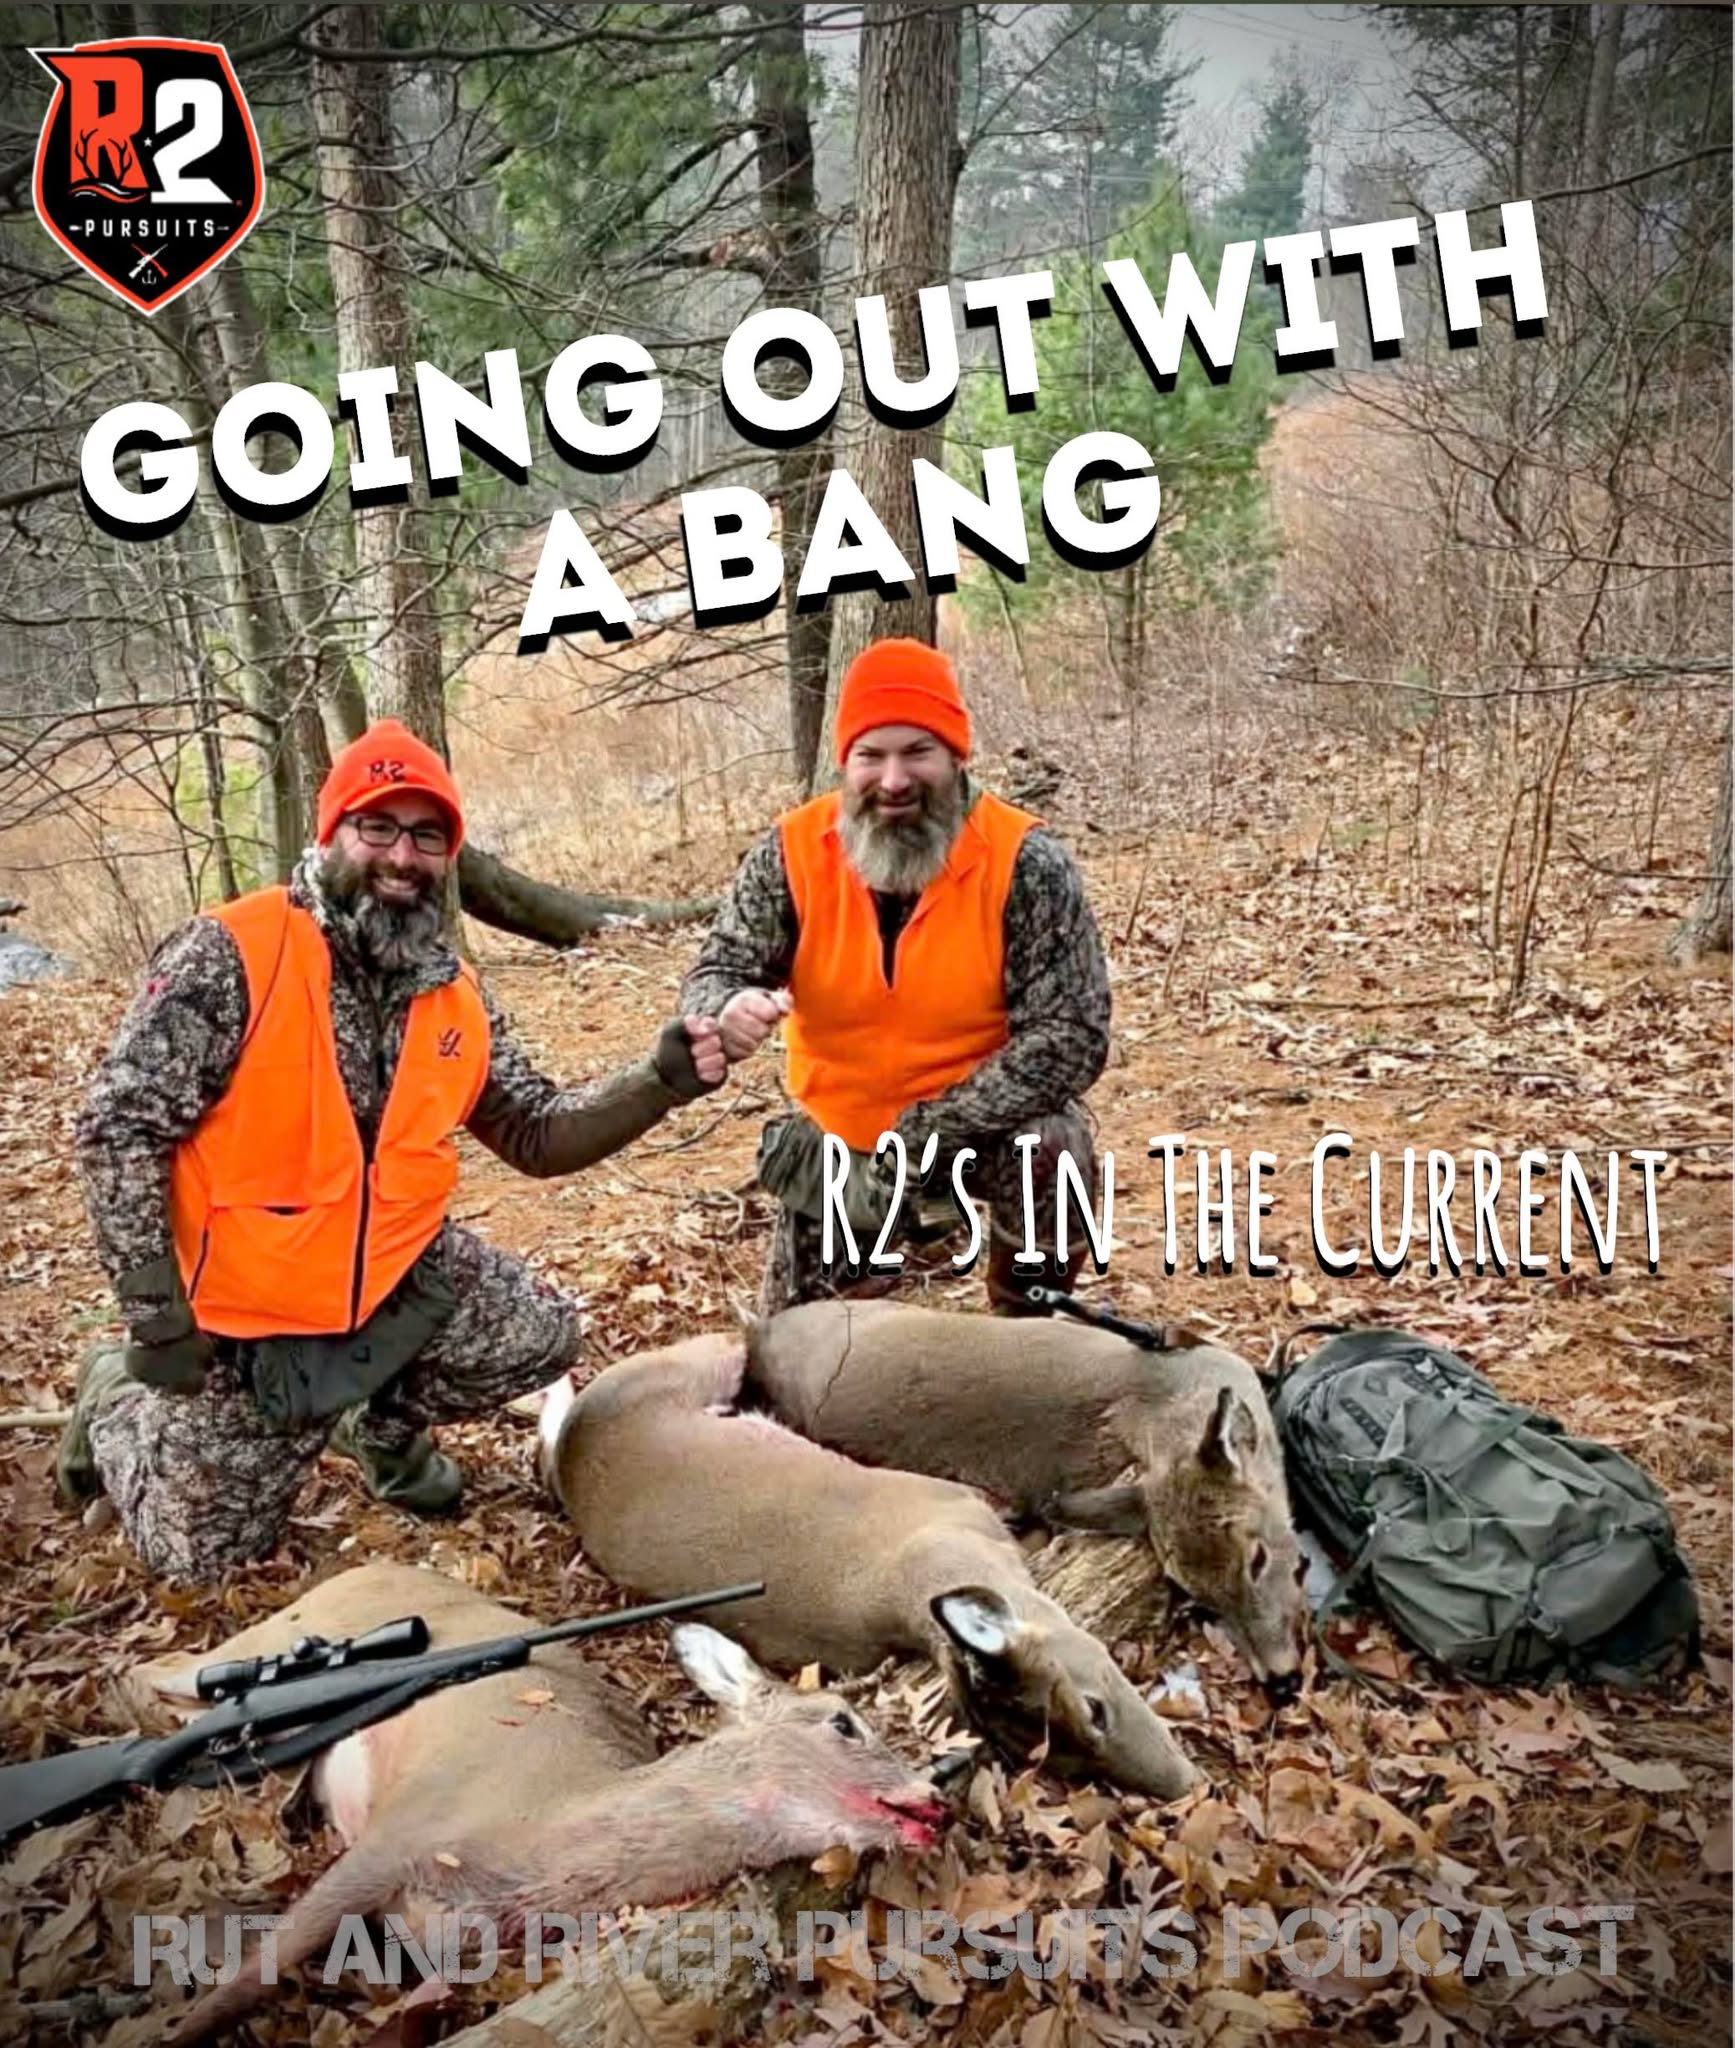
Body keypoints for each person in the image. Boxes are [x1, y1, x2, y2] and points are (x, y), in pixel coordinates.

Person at [59, 719, 726, 1583]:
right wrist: (154, 1315)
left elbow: (534, 1133)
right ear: (330, 832)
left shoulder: (450, 987)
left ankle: (371, 1427)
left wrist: (660, 1080)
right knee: (201, 1559)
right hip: (243, 1319)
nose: (402, 857)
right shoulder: (231, 954)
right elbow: (118, 1127)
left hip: (390, 1273)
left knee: (538, 1336)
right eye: (377, 827)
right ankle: (112, 1398)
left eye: (427, 836)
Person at [680, 638, 1110, 1316]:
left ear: (956, 755)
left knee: (1053, 1145)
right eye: (870, 756)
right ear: (844, 762)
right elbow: (717, 969)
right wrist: (725, 1008)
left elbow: (1072, 1037)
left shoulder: (1025, 861)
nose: (894, 780)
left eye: (917, 752)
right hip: (840, 1138)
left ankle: (1029, 1324)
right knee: (796, 1349)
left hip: (979, 1126)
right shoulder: (790, 853)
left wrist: (928, 1131)